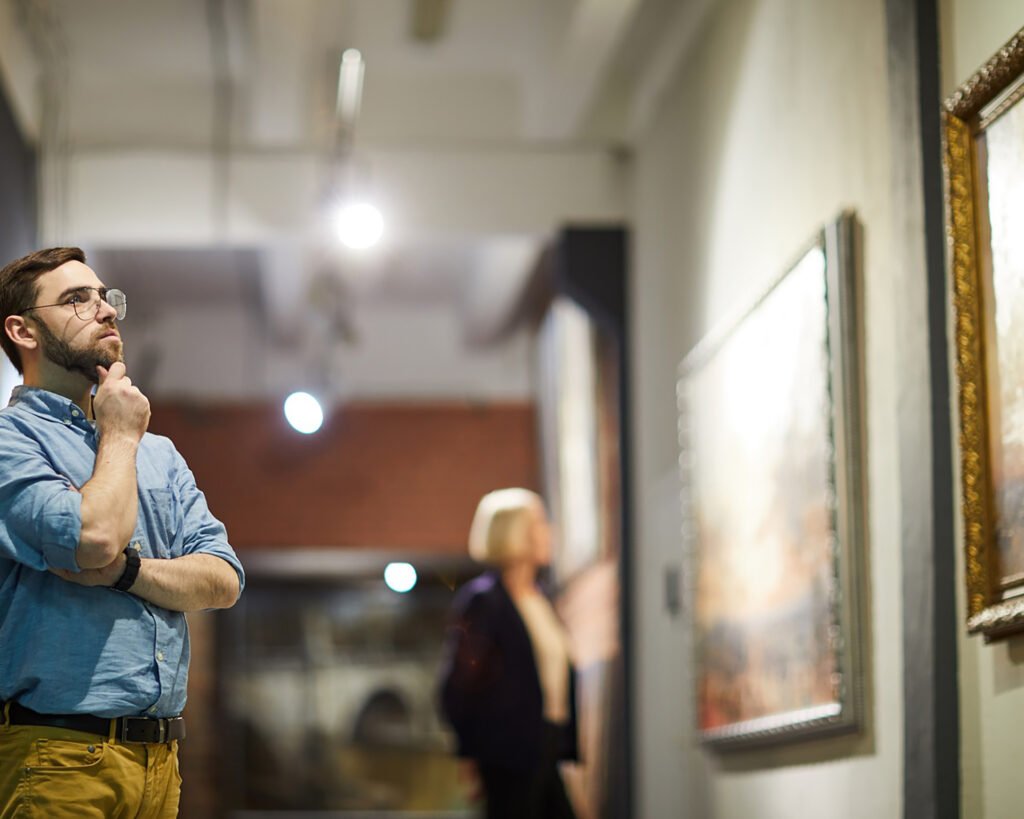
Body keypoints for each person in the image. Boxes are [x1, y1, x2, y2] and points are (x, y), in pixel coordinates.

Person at [0, 247, 245, 818]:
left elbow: (223, 578)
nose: (104, 310)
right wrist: (117, 434)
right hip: (57, 755)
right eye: (76, 299)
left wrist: (129, 572)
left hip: (161, 761)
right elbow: (95, 539)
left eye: (105, 296)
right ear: (22, 330)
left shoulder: (157, 452)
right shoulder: (12, 441)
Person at [439, 488, 578, 819]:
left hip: (545, 742)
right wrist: (469, 752)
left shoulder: (540, 600)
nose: (549, 532)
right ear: (516, 532)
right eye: (539, 522)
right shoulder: (485, 601)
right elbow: (459, 685)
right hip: (507, 752)